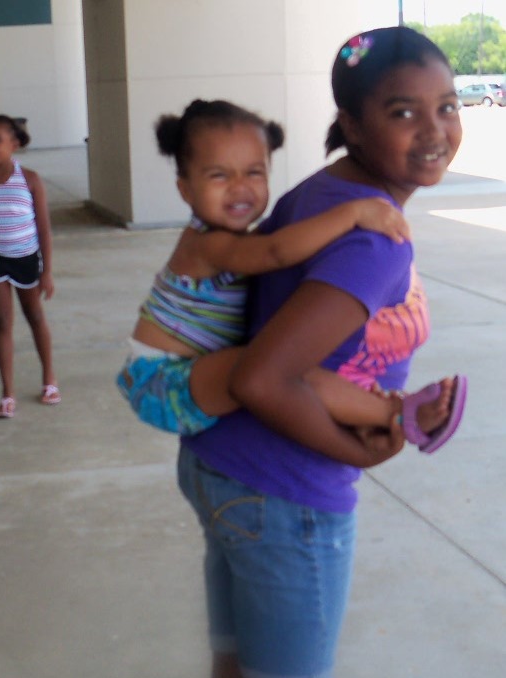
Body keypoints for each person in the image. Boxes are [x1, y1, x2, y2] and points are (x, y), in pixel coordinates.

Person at [176, 27, 467, 678]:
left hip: (224, 465)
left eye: (447, 105)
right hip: (287, 492)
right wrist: (362, 449)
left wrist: (388, 411)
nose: (434, 130)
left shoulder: (323, 195)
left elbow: (299, 359)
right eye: (403, 111)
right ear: (353, 123)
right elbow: (265, 378)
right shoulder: (372, 239)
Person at [118, 99, 463, 452]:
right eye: (219, 175)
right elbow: (276, 251)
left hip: (190, 373)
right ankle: (398, 414)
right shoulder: (206, 245)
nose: (240, 187)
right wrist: (352, 214)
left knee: (287, 367)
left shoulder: (240, 239)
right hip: (163, 379)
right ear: (186, 189)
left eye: (254, 173)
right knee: (280, 369)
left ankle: (368, 413)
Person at [0, 114, 59, 418]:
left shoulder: (30, 180)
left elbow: (44, 229)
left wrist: (46, 271)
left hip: (25, 259)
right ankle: (7, 394)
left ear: (14, 144)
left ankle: (49, 380)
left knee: (35, 316)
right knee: (2, 323)